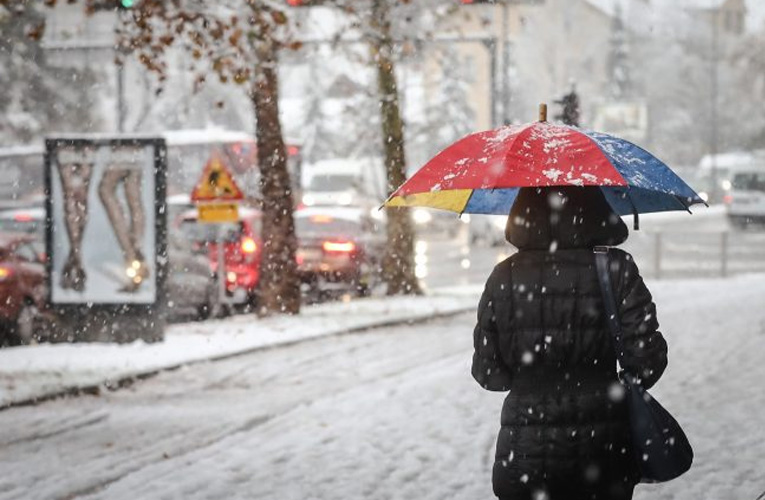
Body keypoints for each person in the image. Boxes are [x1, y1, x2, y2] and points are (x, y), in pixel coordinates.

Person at [472, 186, 668, 500]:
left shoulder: (503, 276)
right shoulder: (615, 268)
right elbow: (647, 360)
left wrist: (531, 379)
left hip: (526, 451)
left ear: (524, 213)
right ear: (596, 209)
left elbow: (488, 374)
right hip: (602, 445)